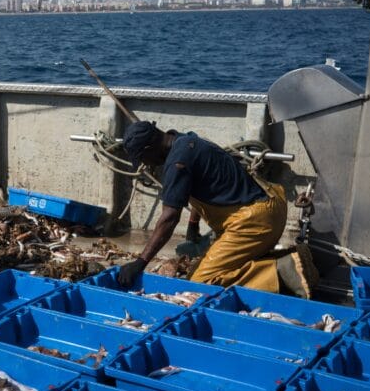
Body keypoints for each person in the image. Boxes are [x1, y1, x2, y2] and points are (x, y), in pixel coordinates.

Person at [116, 120, 318, 297]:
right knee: (199, 269)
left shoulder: (177, 163)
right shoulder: (185, 140)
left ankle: (284, 270)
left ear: (150, 148)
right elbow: (202, 182)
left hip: (255, 222)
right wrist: (194, 224)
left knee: (200, 284)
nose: (146, 165)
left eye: (142, 159)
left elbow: (169, 218)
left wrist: (141, 262)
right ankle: (283, 259)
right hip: (271, 204)